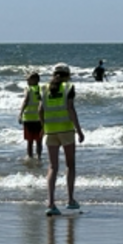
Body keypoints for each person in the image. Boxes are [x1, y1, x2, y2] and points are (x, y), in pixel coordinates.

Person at [41, 64, 85, 215]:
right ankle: (70, 200)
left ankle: (51, 203)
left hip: (51, 131)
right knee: (70, 165)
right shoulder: (68, 87)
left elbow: (40, 110)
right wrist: (79, 130)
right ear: (68, 75)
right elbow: (70, 109)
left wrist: (43, 128)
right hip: (66, 130)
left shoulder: (44, 88)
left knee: (52, 167)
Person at [18, 72, 44, 160]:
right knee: (39, 140)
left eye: (29, 79)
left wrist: (20, 113)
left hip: (29, 118)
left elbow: (26, 100)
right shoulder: (41, 89)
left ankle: (29, 156)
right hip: (39, 118)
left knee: (30, 140)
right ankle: (39, 156)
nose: (27, 80)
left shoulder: (28, 89)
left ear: (35, 80)